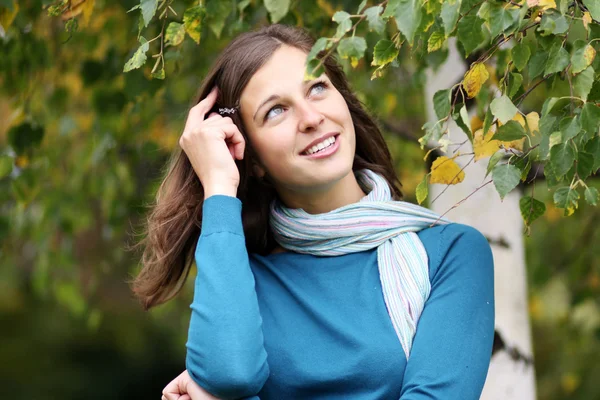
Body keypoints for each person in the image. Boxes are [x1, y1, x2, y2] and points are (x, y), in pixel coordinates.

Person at [133, 24, 495, 400]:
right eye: (276, 111)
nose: (310, 117)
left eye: (317, 88)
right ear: (250, 157)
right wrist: (219, 187)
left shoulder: (448, 253)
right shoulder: (239, 283)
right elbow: (229, 377)